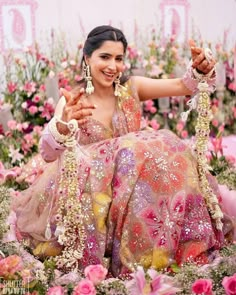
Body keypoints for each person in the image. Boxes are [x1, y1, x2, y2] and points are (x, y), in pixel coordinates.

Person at [12, 25, 233, 276]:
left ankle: (176, 246)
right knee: (136, 147)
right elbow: (49, 154)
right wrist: (63, 125)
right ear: (87, 58)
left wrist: (200, 70)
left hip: (131, 188)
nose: (112, 66)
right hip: (90, 192)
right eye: (104, 57)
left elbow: (185, 84)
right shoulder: (73, 101)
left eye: (119, 59)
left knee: (167, 147)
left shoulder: (132, 89)